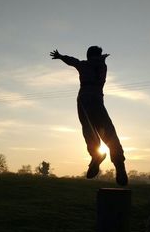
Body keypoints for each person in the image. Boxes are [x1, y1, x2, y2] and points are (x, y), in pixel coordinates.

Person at [50, 46, 128, 186]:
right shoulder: (102, 65)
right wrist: (101, 58)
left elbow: (72, 61)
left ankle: (96, 156)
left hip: (84, 100)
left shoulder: (85, 65)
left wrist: (61, 56)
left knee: (88, 130)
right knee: (109, 133)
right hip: (97, 100)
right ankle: (119, 165)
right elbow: (77, 61)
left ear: (88, 56)